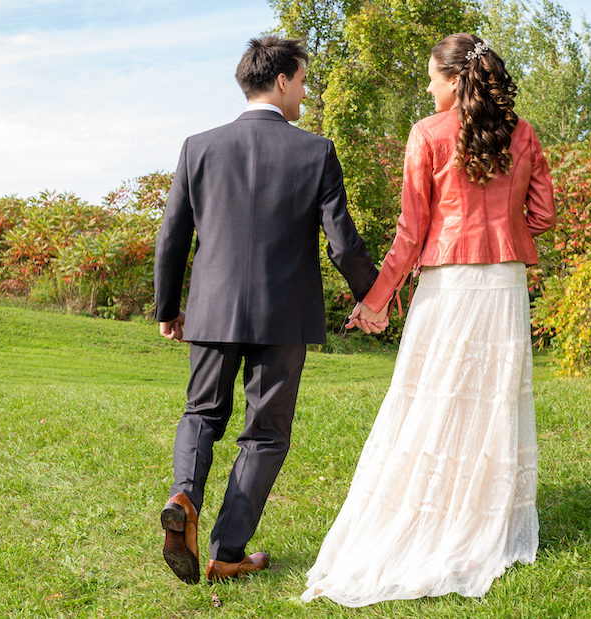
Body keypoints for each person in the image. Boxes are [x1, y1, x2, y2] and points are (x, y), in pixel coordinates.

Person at [300, 32, 556, 606]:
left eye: (432, 76)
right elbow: (543, 213)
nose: (427, 85)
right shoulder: (522, 133)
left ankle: (431, 514)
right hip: (504, 283)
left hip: (447, 284)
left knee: (433, 400)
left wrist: (376, 299)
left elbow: (411, 233)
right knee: (491, 399)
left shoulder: (428, 134)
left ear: (452, 79)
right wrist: (507, 231)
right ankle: (481, 517)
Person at [153, 35, 379, 585]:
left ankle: (185, 494)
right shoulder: (316, 151)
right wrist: (373, 295)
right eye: (302, 81)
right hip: (283, 314)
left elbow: (171, 238)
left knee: (202, 412)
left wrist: (167, 307)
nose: (304, 92)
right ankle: (227, 551)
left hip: (211, 309)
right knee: (266, 433)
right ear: (282, 80)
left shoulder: (197, 146)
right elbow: (343, 245)